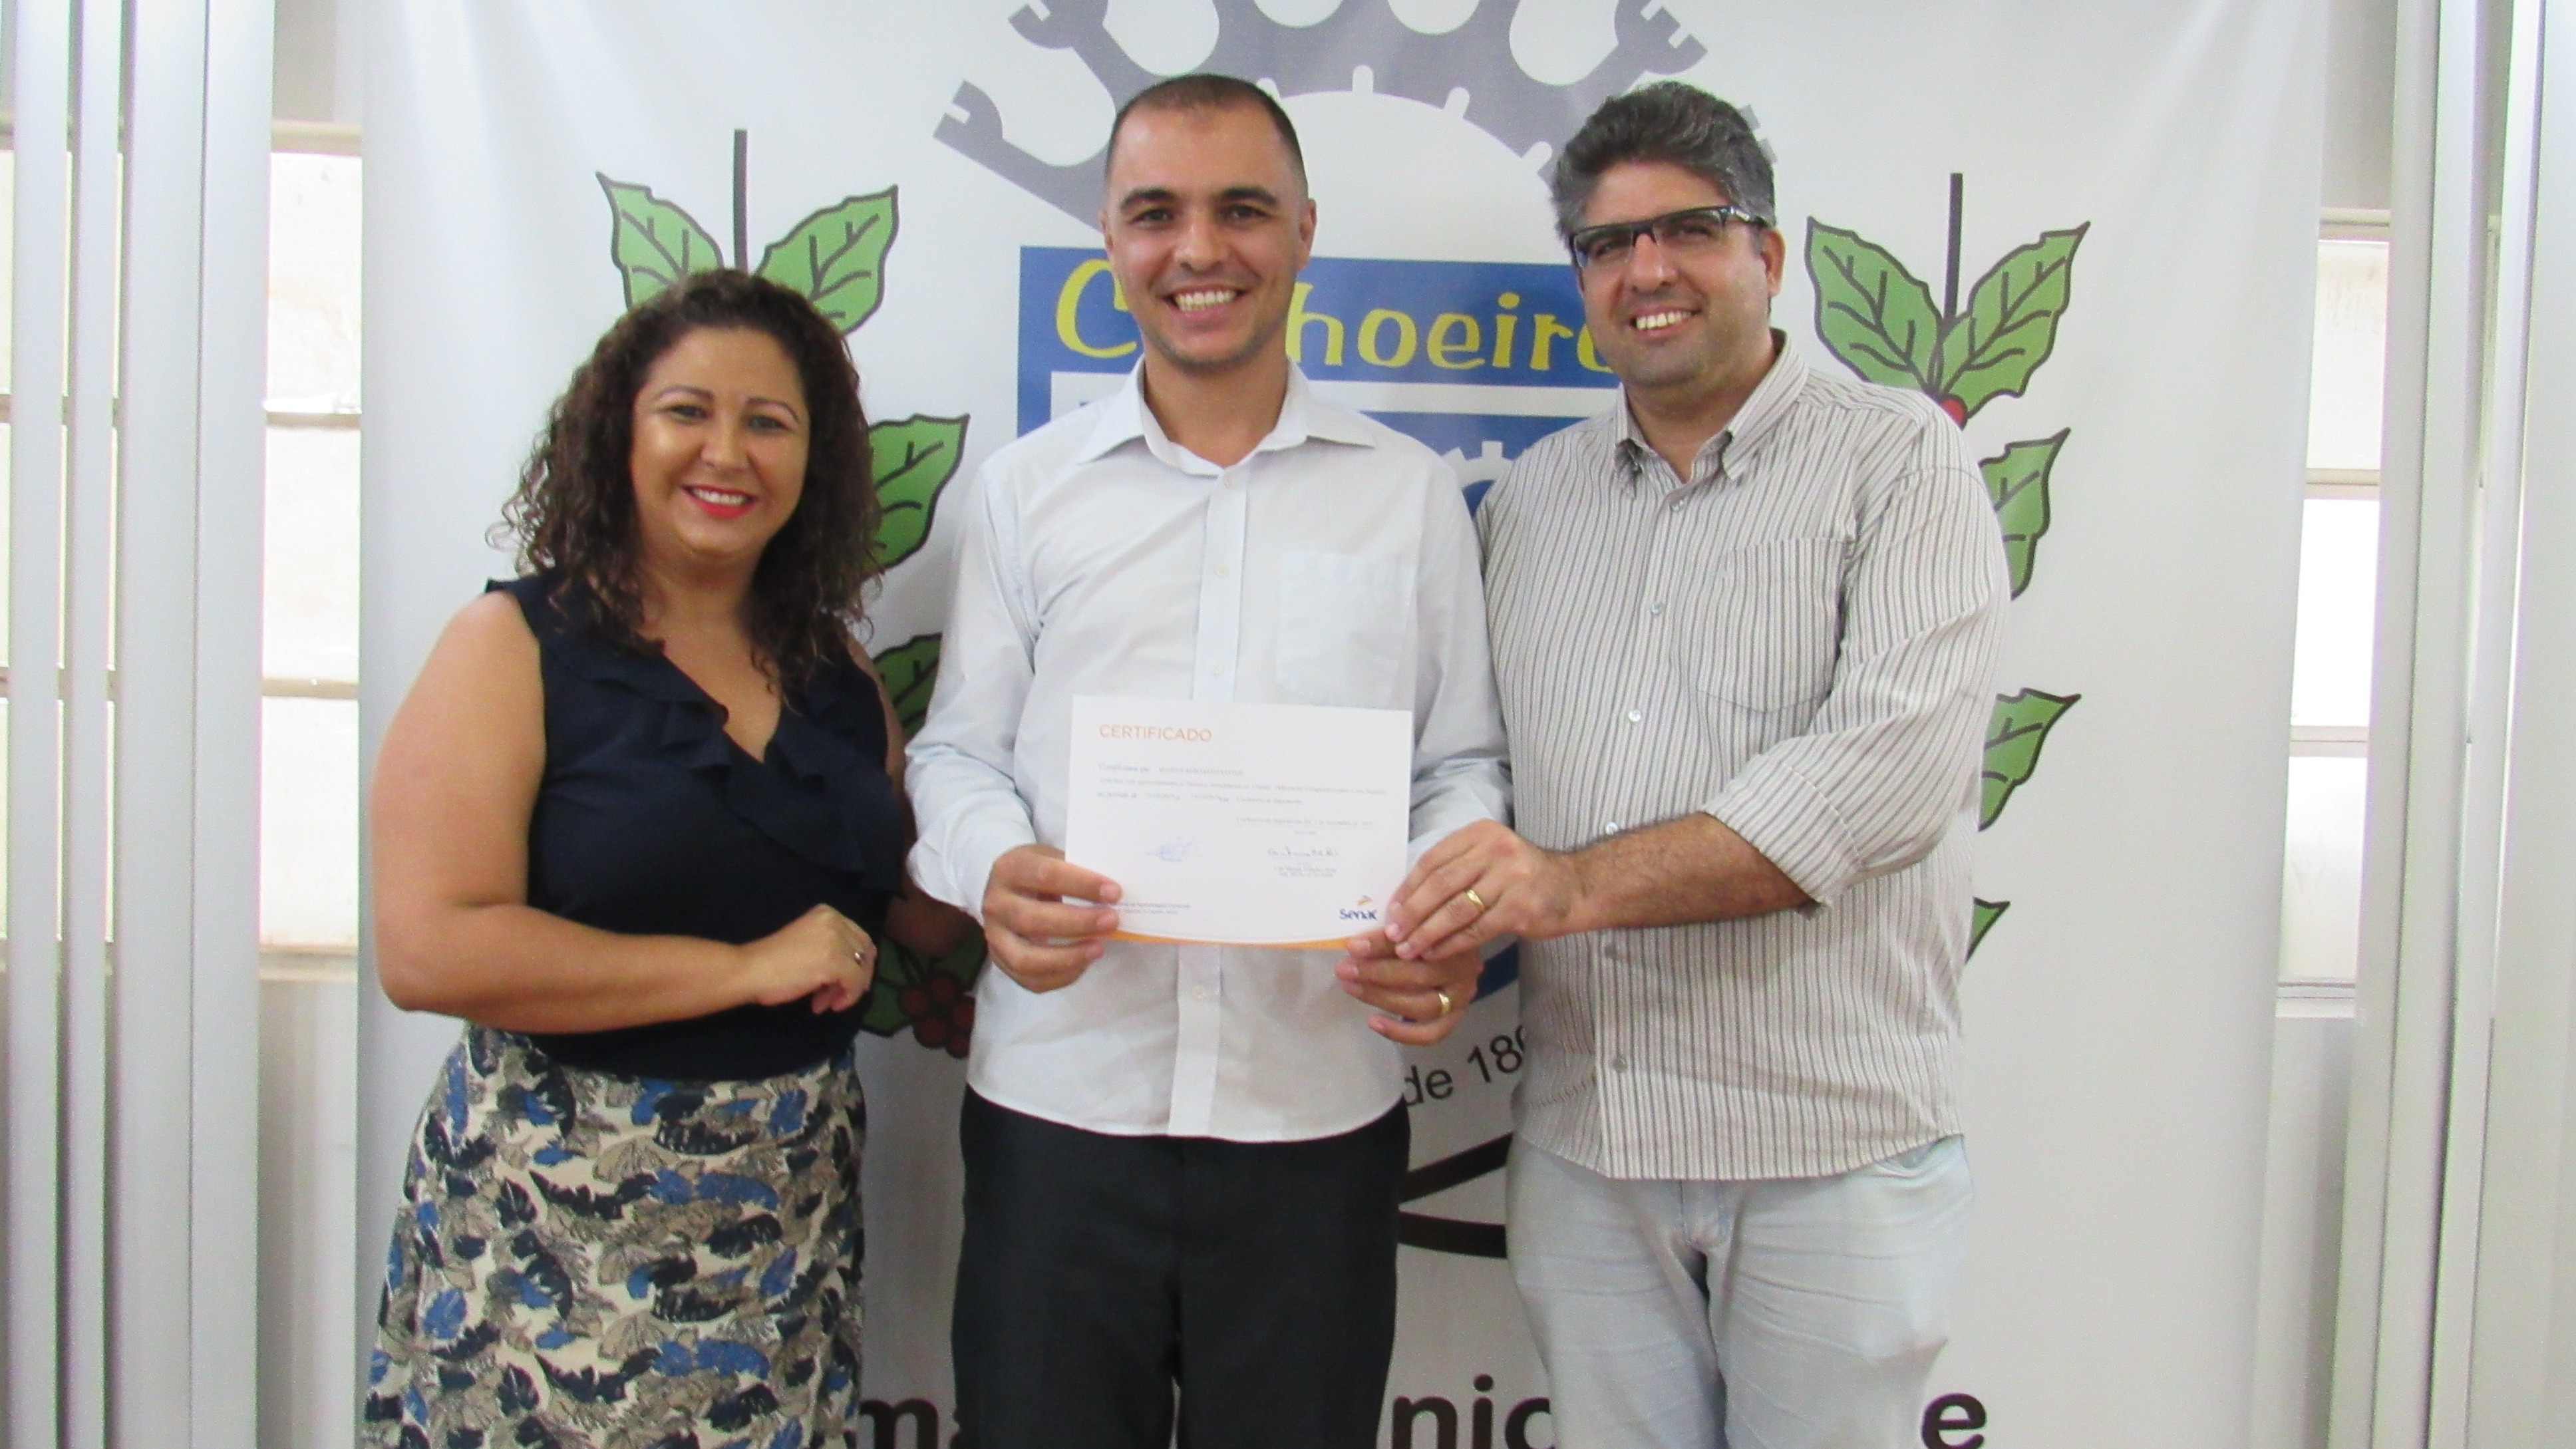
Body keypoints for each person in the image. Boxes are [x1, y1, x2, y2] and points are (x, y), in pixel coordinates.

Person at [1367, 82, 2010, 1447]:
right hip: (1588, 1148)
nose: (1646, 270)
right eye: (1608, 244)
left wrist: (1562, 888)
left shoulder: (1902, 463)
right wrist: (1437, 920)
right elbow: (1474, 767)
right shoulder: (1531, 500)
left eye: (1689, 231)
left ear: (1766, 253)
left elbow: (1886, 776)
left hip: (1830, 1150)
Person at [905, 73, 1507, 1449]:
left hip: (1314, 1119)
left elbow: (1459, 769)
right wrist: (995, 868)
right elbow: (957, 753)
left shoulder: (1408, 496)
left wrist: (1436, 908)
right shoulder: (1028, 490)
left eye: (1241, 209)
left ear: (1303, 230)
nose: (1199, 251)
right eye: (1155, 213)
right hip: (1060, 1110)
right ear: (1110, 241)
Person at [363, 269, 971, 1446]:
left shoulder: (837, 673)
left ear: (813, 463)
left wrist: (1058, 813)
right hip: (555, 1229)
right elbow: (430, 948)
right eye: (687, 411)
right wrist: (743, 968)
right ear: (619, 434)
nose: (726, 453)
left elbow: (921, 914)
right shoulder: (511, 645)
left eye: (768, 422)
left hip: (782, 1231)